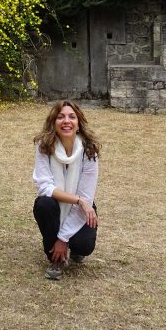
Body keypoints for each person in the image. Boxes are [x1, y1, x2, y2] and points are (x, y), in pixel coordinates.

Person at [32, 100, 100, 280]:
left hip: (82, 207)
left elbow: (86, 197)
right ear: (53, 123)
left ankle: (71, 247)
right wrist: (78, 200)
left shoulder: (89, 151)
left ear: (78, 124)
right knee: (43, 205)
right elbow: (44, 186)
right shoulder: (44, 147)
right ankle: (56, 259)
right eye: (60, 117)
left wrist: (63, 239)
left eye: (72, 117)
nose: (66, 121)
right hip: (61, 204)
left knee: (84, 245)